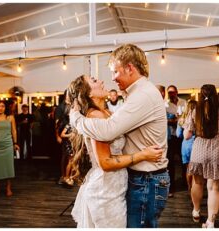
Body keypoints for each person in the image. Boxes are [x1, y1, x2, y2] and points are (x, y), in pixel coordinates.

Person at [68, 44, 168, 228]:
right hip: (110, 188)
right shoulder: (97, 115)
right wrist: (141, 155)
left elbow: (108, 130)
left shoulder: (140, 96)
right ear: (88, 93)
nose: (111, 79)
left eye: (115, 72)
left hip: (144, 180)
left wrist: (75, 118)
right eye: (95, 80)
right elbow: (105, 160)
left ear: (130, 68)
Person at [184, 84, 219, 228]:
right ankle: (210, 222)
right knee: (214, 188)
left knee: (197, 183)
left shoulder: (195, 111)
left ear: (200, 95)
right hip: (218, 149)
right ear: (216, 95)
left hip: (199, 148)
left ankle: (196, 211)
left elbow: (187, 136)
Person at [164, 85, 185, 198]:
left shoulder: (183, 102)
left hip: (182, 136)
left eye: (172, 92)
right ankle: (170, 187)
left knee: (184, 161)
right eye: (169, 92)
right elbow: (164, 119)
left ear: (177, 92)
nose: (171, 94)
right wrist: (175, 120)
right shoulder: (165, 104)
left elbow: (186, 117)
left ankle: (186, 183)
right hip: (171, 137)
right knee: (170, 162)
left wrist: (178, 119)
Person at [179, 100, 197, 194]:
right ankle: (194, 188)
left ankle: (189, 187)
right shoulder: (198, 118)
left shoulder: (182, 119)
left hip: (185, 145)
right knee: (195, 169)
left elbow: (178, 134)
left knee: (188, 168)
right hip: (195, 144)